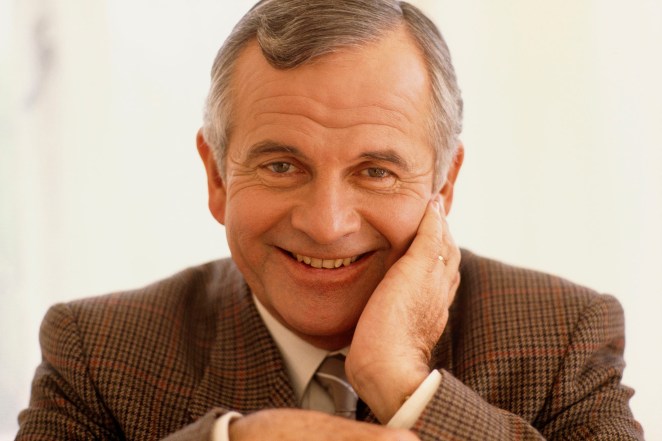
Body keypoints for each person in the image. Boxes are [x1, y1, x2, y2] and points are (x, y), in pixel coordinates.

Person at [16, 0, 643, 440]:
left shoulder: (564, 336)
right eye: (282, 166)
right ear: (216, 177)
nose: (326, 224)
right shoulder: (94, 352)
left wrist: (403, 385)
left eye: (376, 171)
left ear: (443, 183)